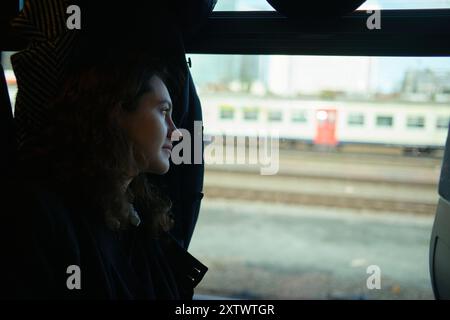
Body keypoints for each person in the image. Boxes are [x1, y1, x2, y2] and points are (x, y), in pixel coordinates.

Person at [0, 47, 207, 299]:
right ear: (117, 113)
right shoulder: (42, 214)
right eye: (163, 111)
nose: (175, 131)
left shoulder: (136, 218)